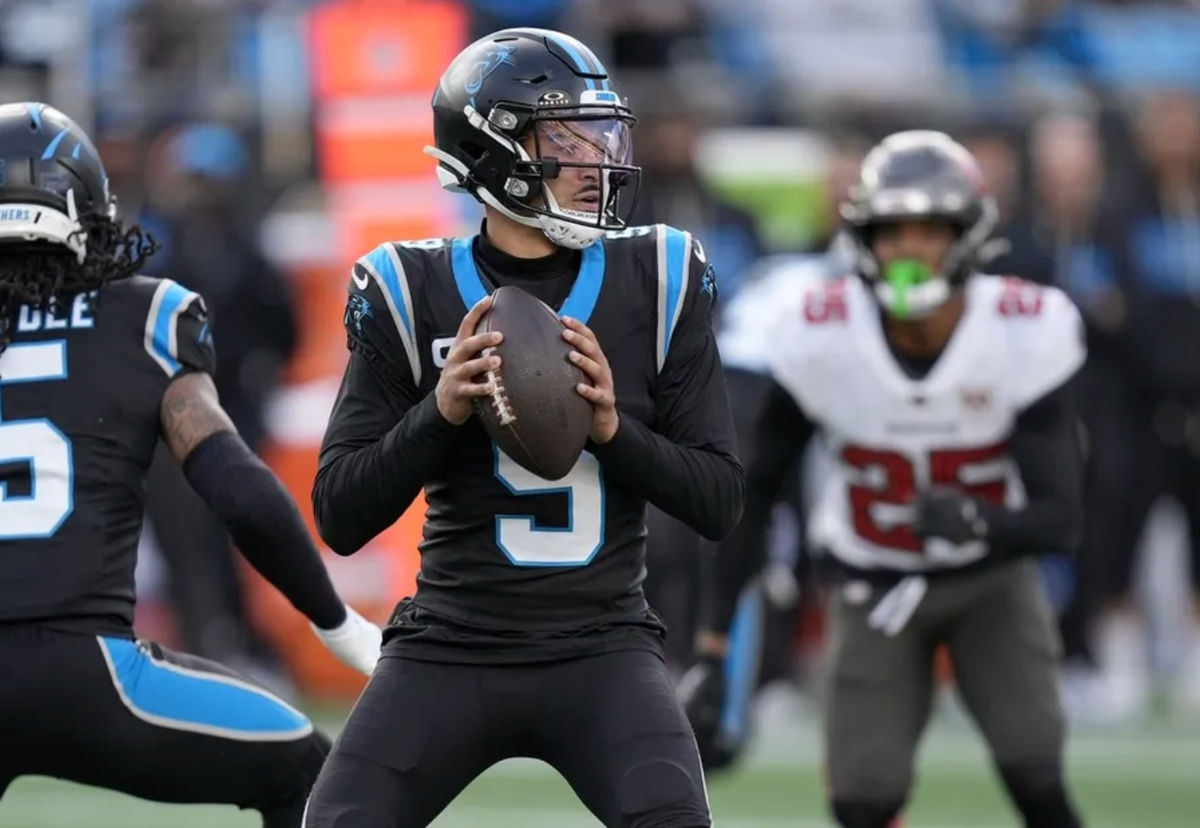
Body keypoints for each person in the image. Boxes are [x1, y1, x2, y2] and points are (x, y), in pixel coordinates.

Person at [305, 27, 743, 828]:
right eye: (566, 139)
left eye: (602, 134)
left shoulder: (661, 276)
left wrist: (612, 431)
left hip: (604, 646)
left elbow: (718, 501)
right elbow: (339, 513)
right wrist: (440, 413)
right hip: (449, 642)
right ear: (493, 152)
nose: (596, 161)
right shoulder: (412, 286)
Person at [683, 131, 1087, 828]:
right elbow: (753, 498)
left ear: (968, 237)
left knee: (1035, 771)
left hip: (992, 580)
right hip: (872, 582)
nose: (908, 251)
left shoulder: (1021, 329)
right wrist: (714, 650)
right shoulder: (820, 333)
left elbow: (1061, 516)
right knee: (861, 799)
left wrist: (979, 521)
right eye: (891, 231)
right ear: (862, 237)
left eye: (930, 231)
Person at [0, 102, 382, 827]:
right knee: (307, 769)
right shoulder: (141, 312)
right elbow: (239, 491)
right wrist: (336, 623)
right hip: (90, 675)